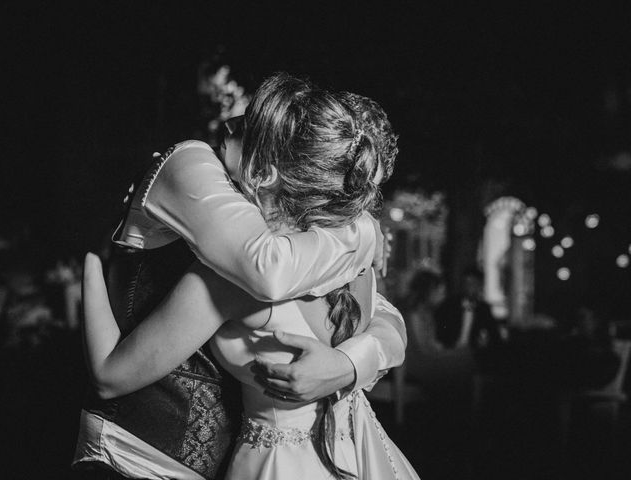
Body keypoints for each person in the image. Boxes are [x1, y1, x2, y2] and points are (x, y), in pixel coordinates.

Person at [74, 73, 410, 480]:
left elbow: (110, 376)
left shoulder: (231, 278)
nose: (230, 124)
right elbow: (388, 325)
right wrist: (348, 364)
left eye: (248, 125)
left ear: (265, 173)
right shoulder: (348, 253)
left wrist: (91, 258)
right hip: (356, 453)